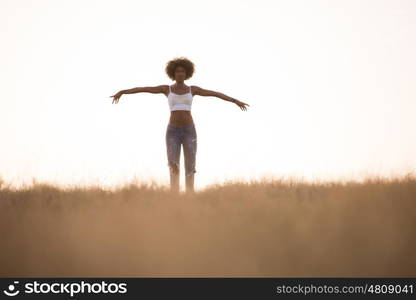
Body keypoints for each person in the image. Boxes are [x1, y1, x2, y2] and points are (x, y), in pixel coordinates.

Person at [109, 56, 250, 194]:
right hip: (173, 132)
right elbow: (144, 88)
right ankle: (174, 195)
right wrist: (123, 92)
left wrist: (235, 101)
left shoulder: (192, 90)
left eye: (182, 71)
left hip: (189, 131)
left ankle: (190, 194)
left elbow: (215, 94)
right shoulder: (166, 89)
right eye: (177, 71)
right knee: (173, 164)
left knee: (190, 165)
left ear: (187, 73)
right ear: (173, 73)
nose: (180, 74)